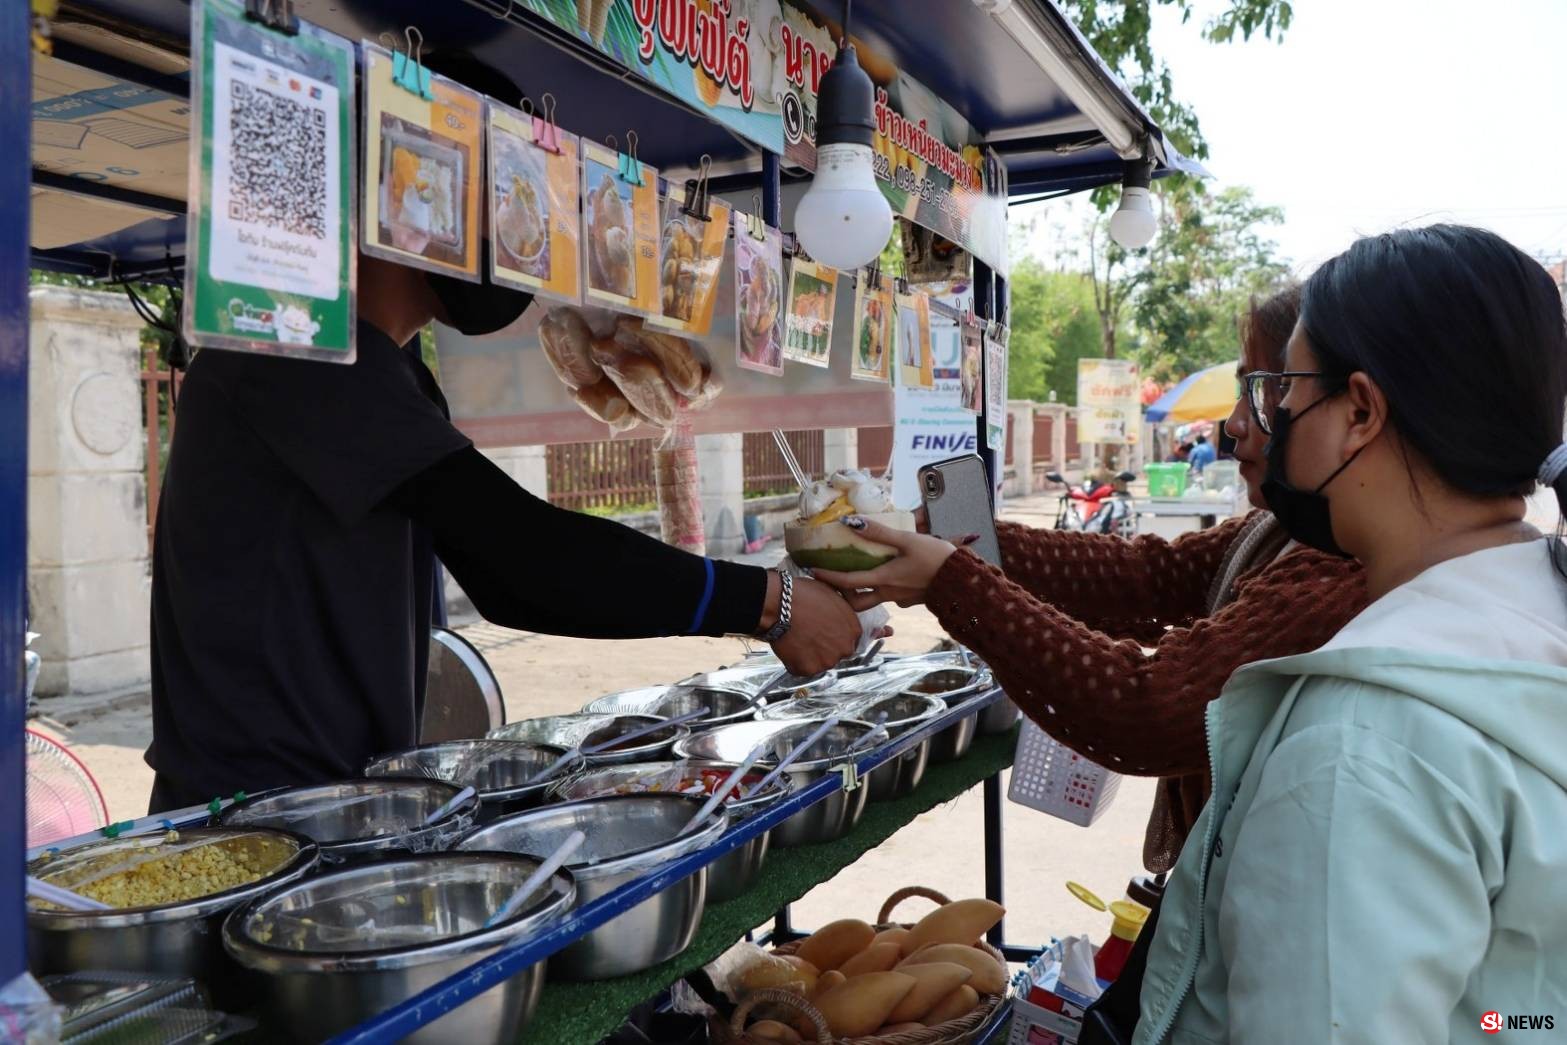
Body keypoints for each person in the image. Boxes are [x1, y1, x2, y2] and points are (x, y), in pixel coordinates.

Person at [146, 57, 862, 813]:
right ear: (415, 188)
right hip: (249, 820)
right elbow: (516, 557)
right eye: (504, 197)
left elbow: (499, 561)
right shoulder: (294, 348)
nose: (524, 235)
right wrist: (766, 603)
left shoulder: (392, 369)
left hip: (337, 799)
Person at [1128, 225, 1567, 1043]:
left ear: (1359, 411)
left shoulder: (1361, 745)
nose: (1261, 421)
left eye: (1281, 390)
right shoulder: (1539, 609)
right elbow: (1515, 1011)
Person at [813, 285, 1367, 873]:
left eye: (1270, 391)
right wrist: (966, 544)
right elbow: (1146, 577)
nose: (1233, 425)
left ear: (1360, 411)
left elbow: (1146, 709)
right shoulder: (1280, 530)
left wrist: (954, 580)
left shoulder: (1339, 576)